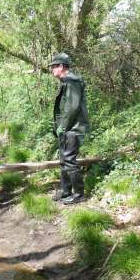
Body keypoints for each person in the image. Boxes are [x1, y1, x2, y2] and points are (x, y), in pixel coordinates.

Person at [49, 52, 89, 204]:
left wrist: (63, 127)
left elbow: (72, 107)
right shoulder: (66, 81)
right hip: (67, 128)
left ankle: (79, 195)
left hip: (74, 129)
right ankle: (66, 191)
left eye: (53, 67)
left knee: (70, 160)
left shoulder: (72, 81)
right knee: (63, 160)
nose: (52, 70)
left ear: (61, 66)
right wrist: (58, 127)